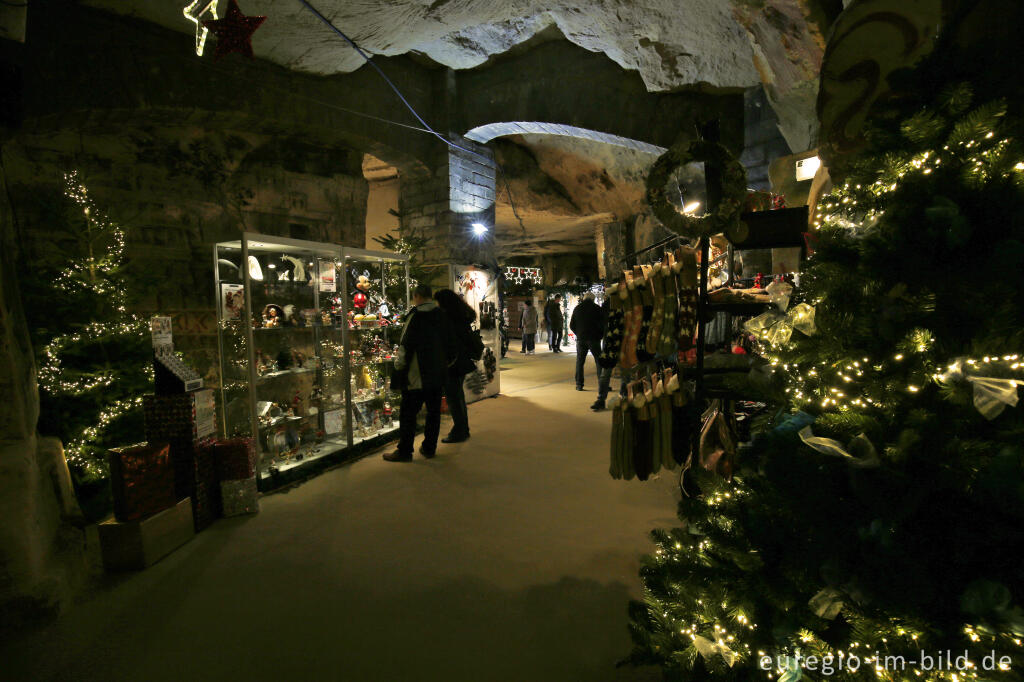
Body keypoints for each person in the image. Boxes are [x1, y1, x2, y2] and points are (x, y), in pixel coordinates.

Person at [385, 283, 453, 462]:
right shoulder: (442, 315)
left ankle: (405, 451)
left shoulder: (415, 316)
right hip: (437, 374)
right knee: (433, 413)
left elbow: (405, 344)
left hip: (417, 374)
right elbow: (450, 343)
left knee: (408, 413)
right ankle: (429, 448)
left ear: (416, 296)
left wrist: (399, 366)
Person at [434, 288, 476, 443]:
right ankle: (463, 428)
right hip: (463, 360)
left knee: (453, 397)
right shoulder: (462, 316)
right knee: (458, 396)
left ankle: (459, 430)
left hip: (453, 362)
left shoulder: (449, 319)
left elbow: (448, 343)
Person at [569, 292, 606, 392]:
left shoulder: (577, 308)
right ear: (593, 299)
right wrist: (600, 335)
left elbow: (572, 325)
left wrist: (579, 333)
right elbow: (603, 324)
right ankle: (602, 384)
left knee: (580, 362)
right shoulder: (597, 308)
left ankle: (579, 384)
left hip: (581, 339)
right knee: (599, 362)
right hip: (594, 339)